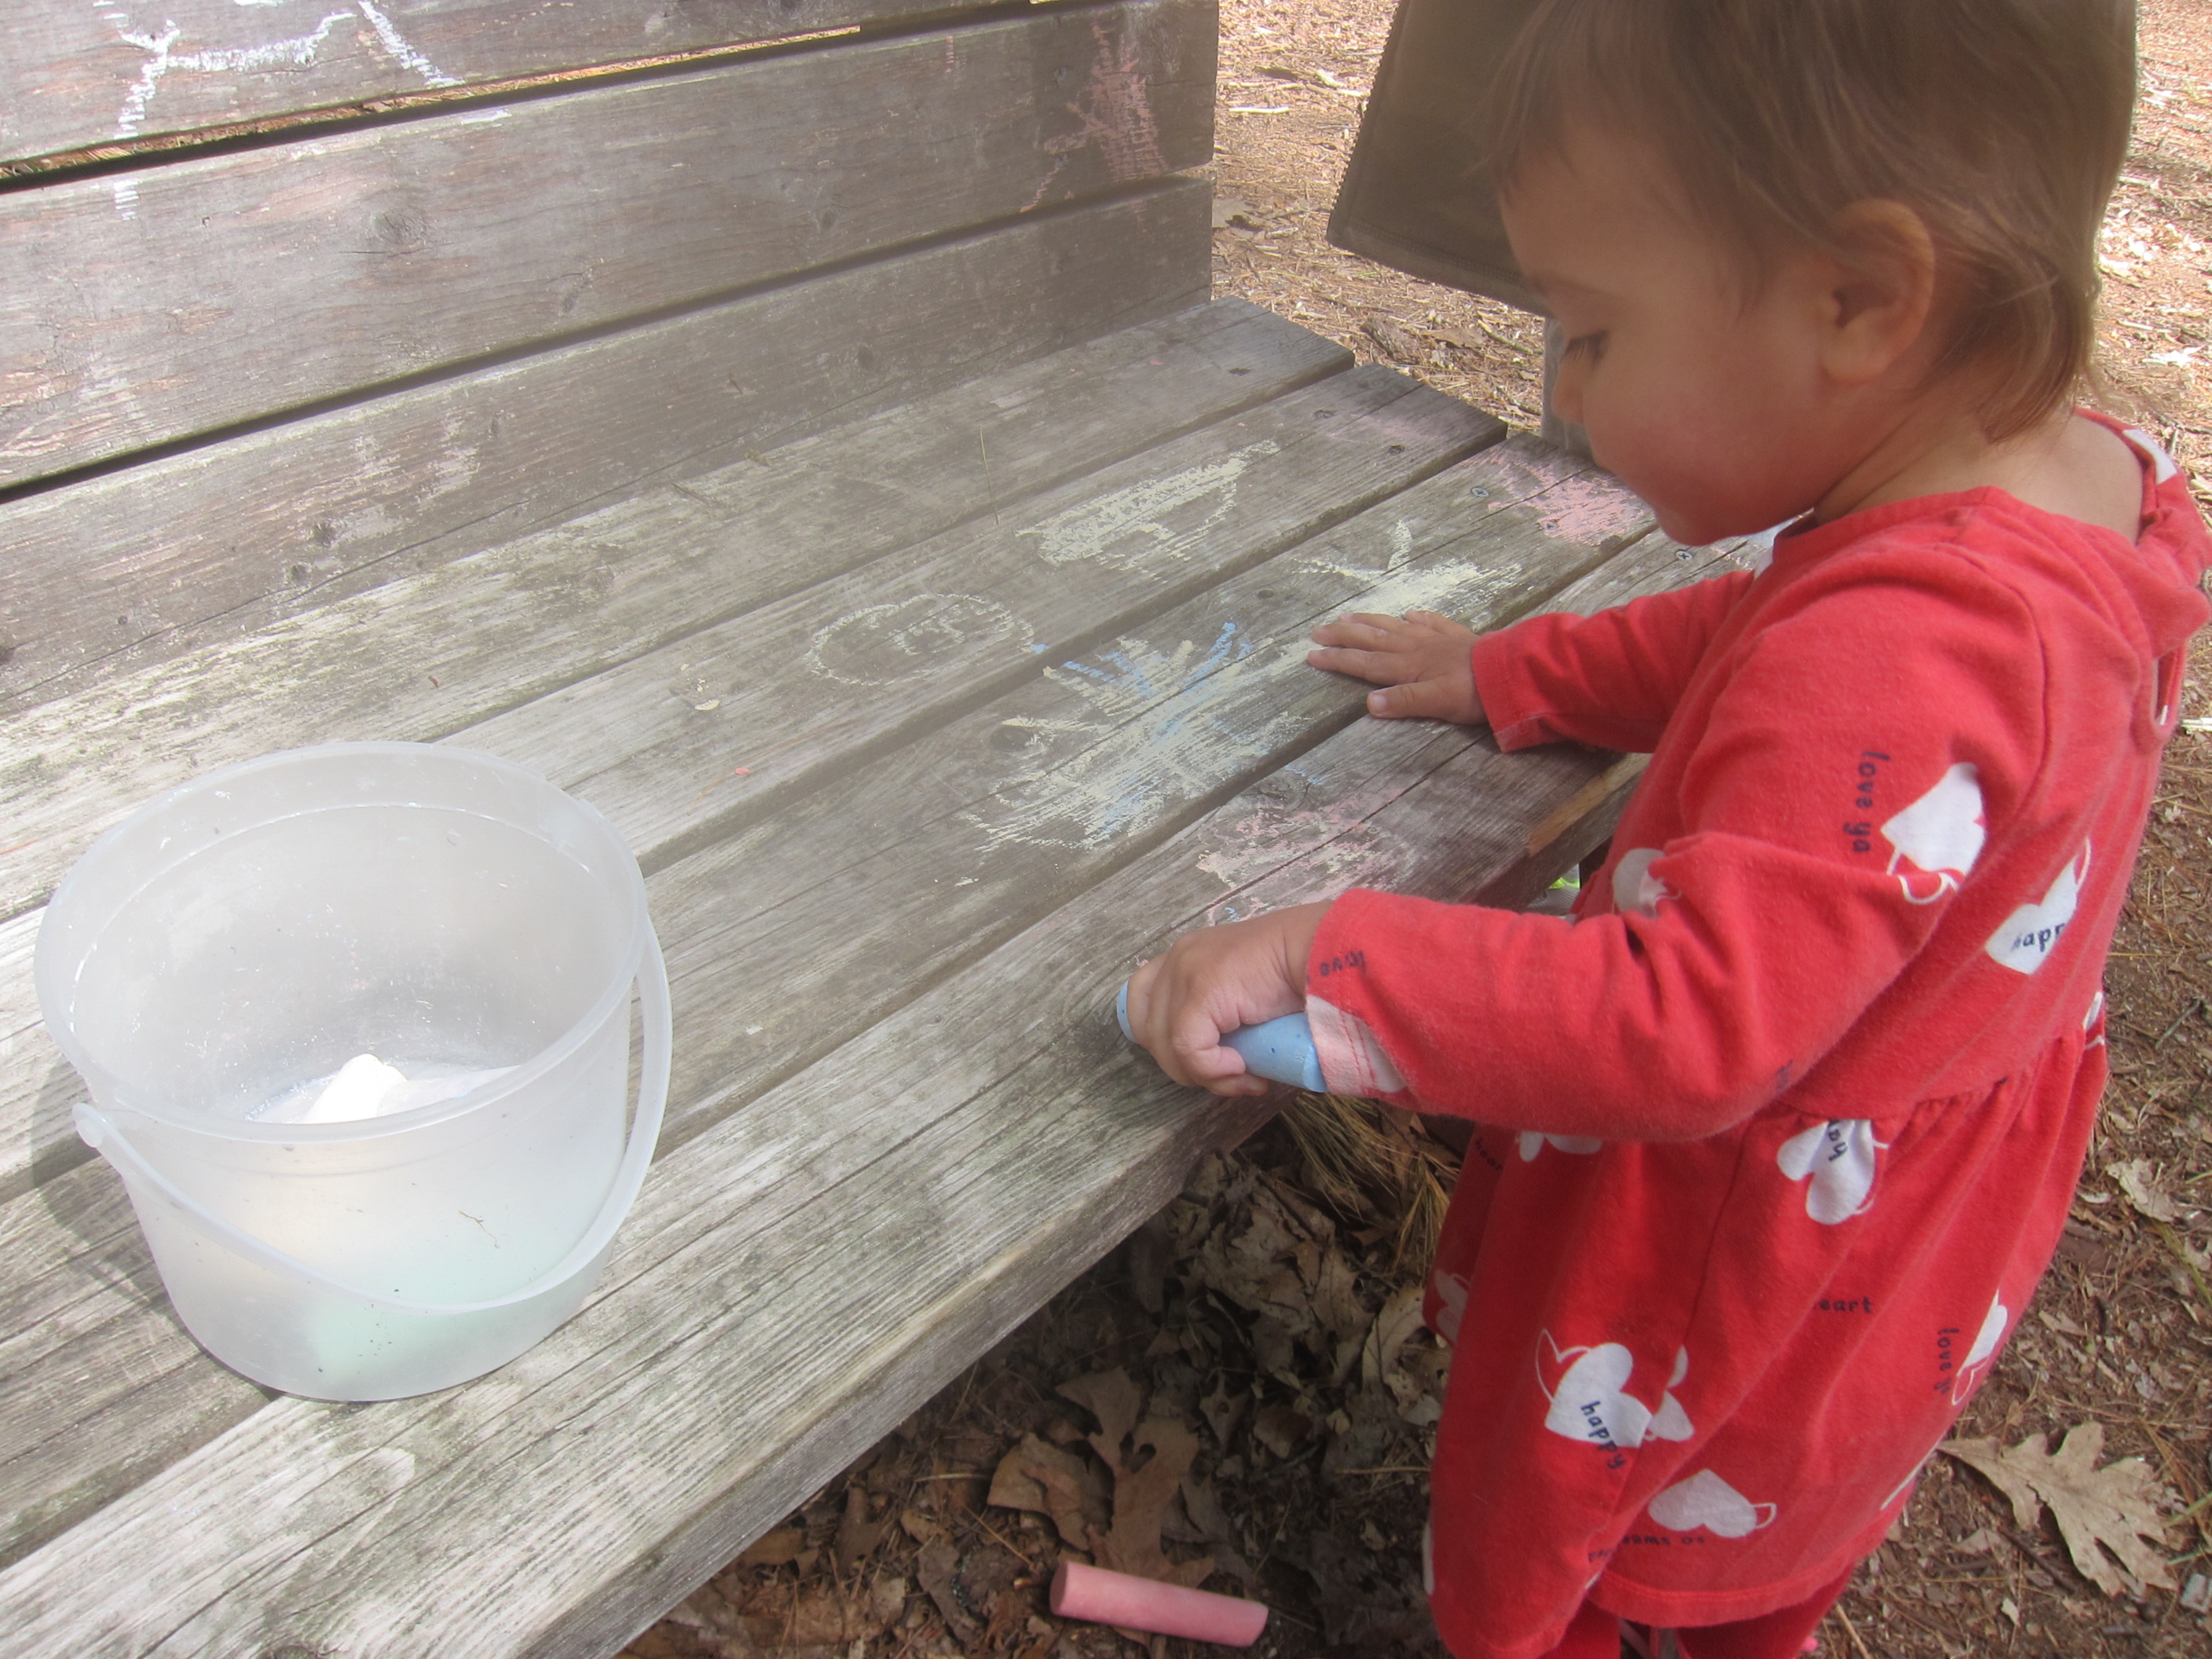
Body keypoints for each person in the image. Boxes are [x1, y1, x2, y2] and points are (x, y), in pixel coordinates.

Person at [1119, 2, 2209, 1655]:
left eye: (1593, 334)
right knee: (1749, 1573)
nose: (1566, 386)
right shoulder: (2067, 495)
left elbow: (1682, 1022)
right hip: (1900, 1269)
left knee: (1546, 1559)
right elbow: (1773, 649)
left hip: (1718, 1273)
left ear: (1857, 299)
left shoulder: (1909, 643)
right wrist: (1521, 671)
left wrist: (1331, 959)